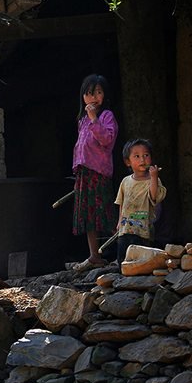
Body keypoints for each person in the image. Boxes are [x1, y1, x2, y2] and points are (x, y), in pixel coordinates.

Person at [72, 74, 118, 271]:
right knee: (88, 215)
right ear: (83, 97)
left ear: (104, 95)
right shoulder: (81, 121)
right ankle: (94, 255)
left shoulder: (106, 116)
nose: (93, 98)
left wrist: (93, 119)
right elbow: (80, 147)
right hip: (84, 174)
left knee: (104, 213)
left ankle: (117, 253)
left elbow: (107, 140)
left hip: (99, 173)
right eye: (89, 93)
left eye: (98, 92)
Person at [114, 138, 167, 264]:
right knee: (123, 259)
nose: (142, 160)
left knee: (142, 261)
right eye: (137, 156)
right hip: (126, 228)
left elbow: (154, 197)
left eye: (146, 155)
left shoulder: (154, 180)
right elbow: (122, 202)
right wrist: (119, 221)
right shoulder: (125, 181)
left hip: (144, 230)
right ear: (128, 162)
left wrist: (154, 177)